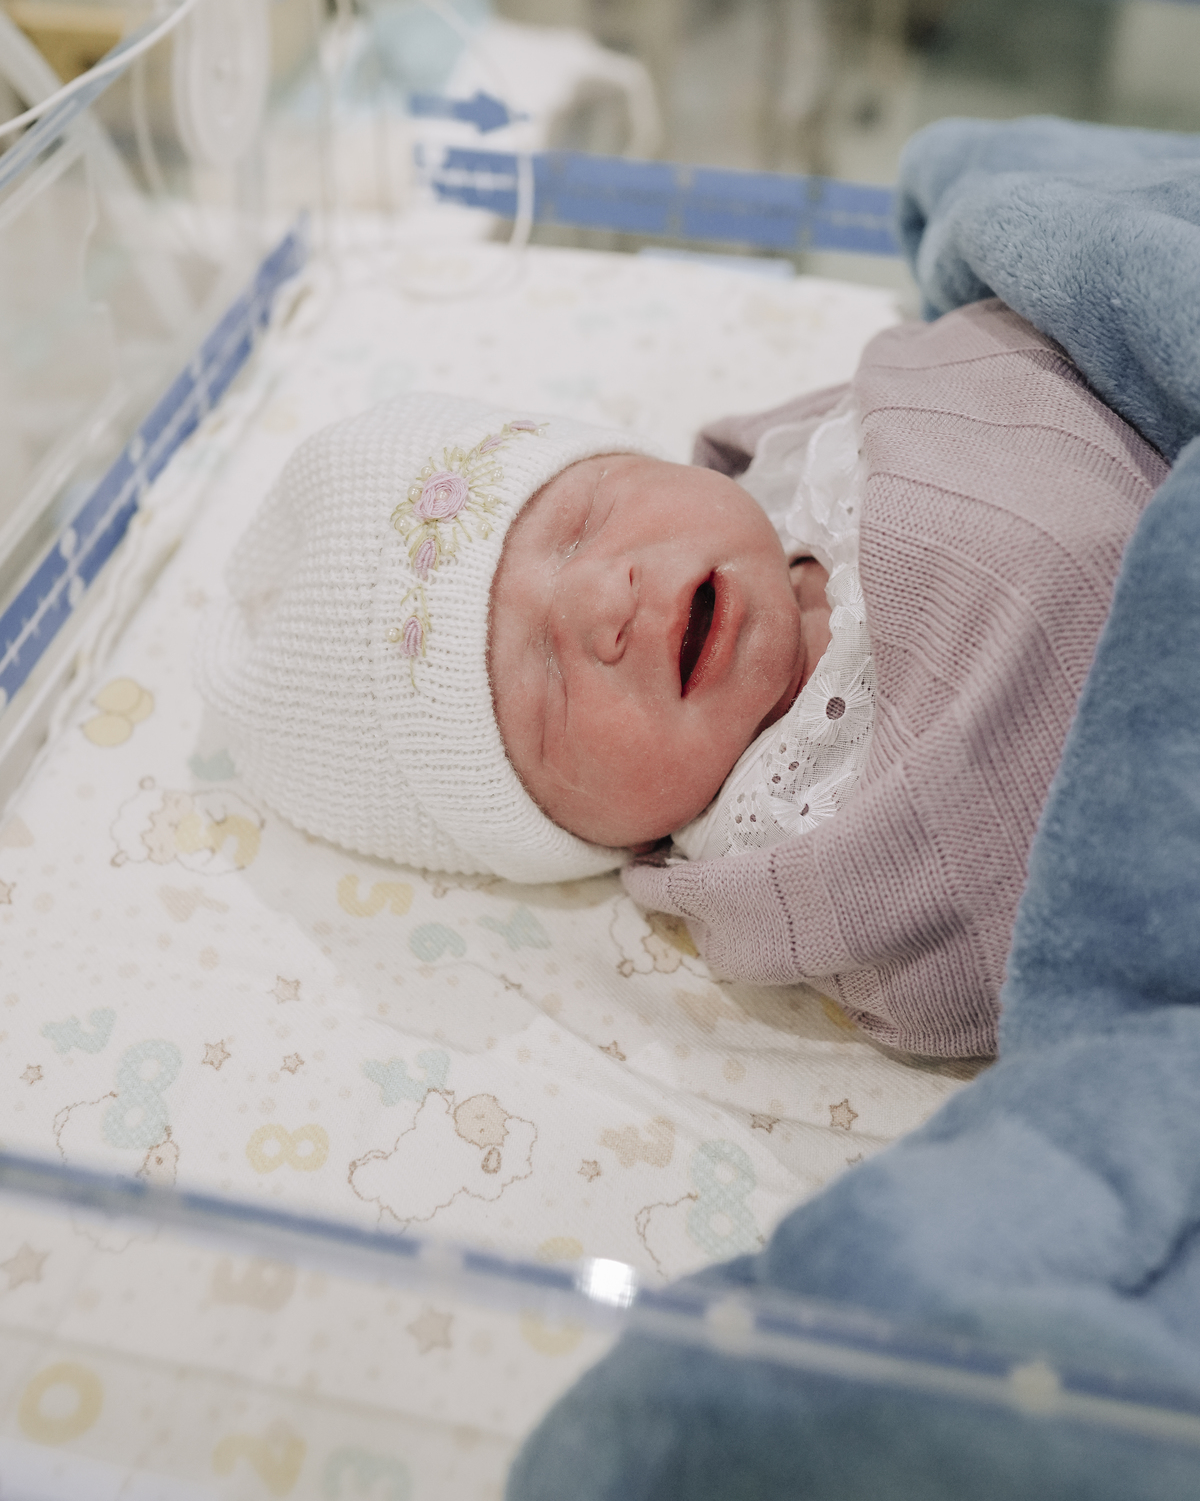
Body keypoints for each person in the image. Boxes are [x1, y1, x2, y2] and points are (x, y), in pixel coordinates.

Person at [197, 297, 1165, 1059]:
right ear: (586, 836)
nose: (603, 601)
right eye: (545, 682)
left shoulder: (825, 450)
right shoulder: (809, 870)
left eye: (584, 519)